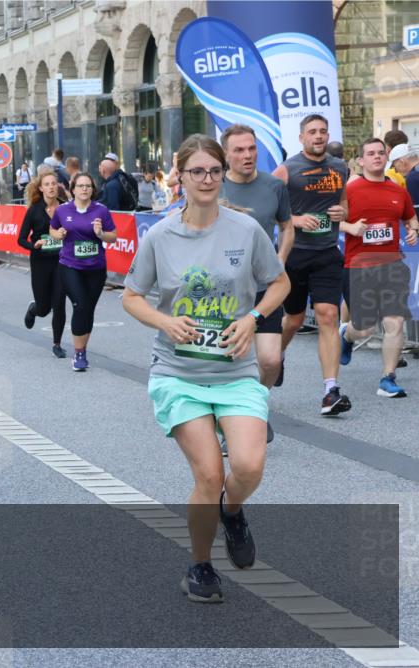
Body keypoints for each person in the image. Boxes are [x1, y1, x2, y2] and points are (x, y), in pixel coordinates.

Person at [122, 134, 290, 604]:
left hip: (235, 371)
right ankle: (199, 566)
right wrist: (165, 321)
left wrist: (252, 318)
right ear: (180, 177)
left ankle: (232, 513)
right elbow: (132, 295)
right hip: (179, 373)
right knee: (210, 474)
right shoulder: (160, 235)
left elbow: (279, 283)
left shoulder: (245, 229)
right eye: (198, 171)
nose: (208, 180)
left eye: (215, 171)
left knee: (249, 467)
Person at [272, 114, 352, 416]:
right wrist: (294, 220)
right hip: (294, 254)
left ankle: (330, 391)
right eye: (312, 132)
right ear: (302, 137)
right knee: (292, 319)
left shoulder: (339, 167)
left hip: (326, 253)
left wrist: (341, 213)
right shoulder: (287, 170)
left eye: (322, 131)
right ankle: (276, 356)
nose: (318, 136)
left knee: (327, 315)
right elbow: (269, 212)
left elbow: (345, 204)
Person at [220, 124, 293, 444]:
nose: (247, 155)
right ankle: (230, 427)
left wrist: (279, 259)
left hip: (265, 286)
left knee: (270, 360)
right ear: (226, 154)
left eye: (251, 148)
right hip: (225, 291)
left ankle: (257, 406)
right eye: (239, 150)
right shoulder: (213, 187)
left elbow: (286, 226)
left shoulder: (274, 186)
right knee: (231, 361)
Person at [339, 137, 418, 398]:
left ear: (386, 158)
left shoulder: (398, 190)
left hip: (392, 264)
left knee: (395, 323)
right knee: (365, 328)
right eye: (370, 153)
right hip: (359, 265)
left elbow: (410, 216)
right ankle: (346, 335)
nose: (376, 157)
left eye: (380, 153)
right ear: (361, 161)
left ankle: (388, 378)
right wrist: (351, 227)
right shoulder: (350, 189)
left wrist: (413, 229)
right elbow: (331, 220)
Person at [48, 172, 117, 371]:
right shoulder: (63, 210)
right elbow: (53, 229)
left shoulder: (101, 211)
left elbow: (113, 236)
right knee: (80, 304)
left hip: (95, 268)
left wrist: (101, 234)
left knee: (88, 309)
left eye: (88, 186)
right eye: (80, 186)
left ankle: (82, 349)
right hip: (70, 266)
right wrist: (58, 234)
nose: (84, 189)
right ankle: (79, 355)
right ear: (73, 189)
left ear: (92, 190)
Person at [18, 167, 69, 358]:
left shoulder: (65, 208)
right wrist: (34, 245)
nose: (51, 187)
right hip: (40, 262)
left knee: (59, 303)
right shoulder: (34, 211)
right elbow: (21, 239)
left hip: (61, 261)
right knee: (44, 307)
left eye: (54, 184)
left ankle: (57, 344)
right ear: (40, 188)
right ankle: (34, 309)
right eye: (47, 185)